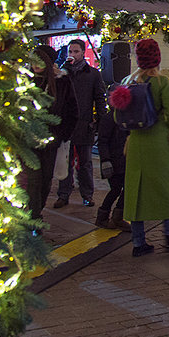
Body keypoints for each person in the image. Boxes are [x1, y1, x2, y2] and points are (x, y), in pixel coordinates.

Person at [121, 39, 169, 256]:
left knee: (137, 192)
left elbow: (116, 114)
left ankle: (138, 243)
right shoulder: (161, 83)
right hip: (160, 142)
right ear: (157, 57)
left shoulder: (128, 82)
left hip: (135, 144)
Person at [24, 45, 74, 224]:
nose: (35, 65)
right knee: (33, 180)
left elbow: (70, 111)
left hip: (51, 141)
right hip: (28, 140)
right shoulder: (26, 82)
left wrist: (62, 136)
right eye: (33, 62)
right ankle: (34, 217)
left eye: (39, 61)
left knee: (46, 181)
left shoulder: (61, 82)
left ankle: (37, 210)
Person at [55, 38, 105, 209]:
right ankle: (63, 194)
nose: (73, 55)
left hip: (84, 124)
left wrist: (99, 120)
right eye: (70, 52)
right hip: (66, 125)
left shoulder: (92, 74)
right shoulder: (63, 73)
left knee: (85, 163)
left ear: (83, 52)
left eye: (76, 51)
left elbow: (99, 98)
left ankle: (87, 195)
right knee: (65, 160)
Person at [95, 97, 128, 231]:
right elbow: (102, 141)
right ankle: (103, 216)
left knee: (126, 189)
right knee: (115, 189)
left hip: (123, 160)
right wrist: (105, 160)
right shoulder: (109, 118)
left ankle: (118, 216)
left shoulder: (126, 118)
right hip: (113, 162)